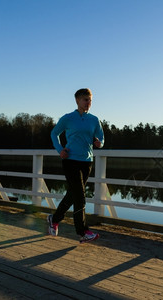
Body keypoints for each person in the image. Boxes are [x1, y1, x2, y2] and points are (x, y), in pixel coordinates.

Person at [48, 88, 104, 244]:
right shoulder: (68, 118)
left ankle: (54, 219)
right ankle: (83, 231)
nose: (88, 103)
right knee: (80, 196)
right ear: (77, 100)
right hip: (70, 160)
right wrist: (60, 150)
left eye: (90, 100)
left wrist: (99, 143)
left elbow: (101, 137)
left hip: (87, 162)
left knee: (73, 194)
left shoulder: (94, 119)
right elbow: (54, 133)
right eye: (86, 99)